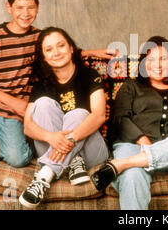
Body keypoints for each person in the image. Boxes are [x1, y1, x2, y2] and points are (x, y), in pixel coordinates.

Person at [0, 0, 116, 210]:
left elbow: (59, 50)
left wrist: (91, 53)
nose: (25, 14)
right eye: (19, 8)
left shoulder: (39, 39)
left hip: (11, 114)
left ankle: (48, 172)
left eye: (30, 8)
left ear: (37, 8)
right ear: (8, 7)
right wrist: (17, 104)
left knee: (19, 157)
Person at [90, 36, 168, 210]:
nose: (157, 65)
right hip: (133, 145)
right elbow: (120, 119)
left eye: (163, 59)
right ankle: (133, 164)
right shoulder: (131, 87)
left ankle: (121, 164)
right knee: (132, 176)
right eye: (151, 59)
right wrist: (142, 139)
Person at [18, 27, 109, 208]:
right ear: (43, 57)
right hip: (55, 145)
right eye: (49, 49)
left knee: (79, 113)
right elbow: (28, 126)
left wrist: (69, 140)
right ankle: (73, 160)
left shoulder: (89, 75)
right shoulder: (41, 85)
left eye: (61, 46)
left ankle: (44, 176)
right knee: (42, 104)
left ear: (71, 48)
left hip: (92, 152)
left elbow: (99, 116)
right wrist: (51, 137)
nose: (56, 53)